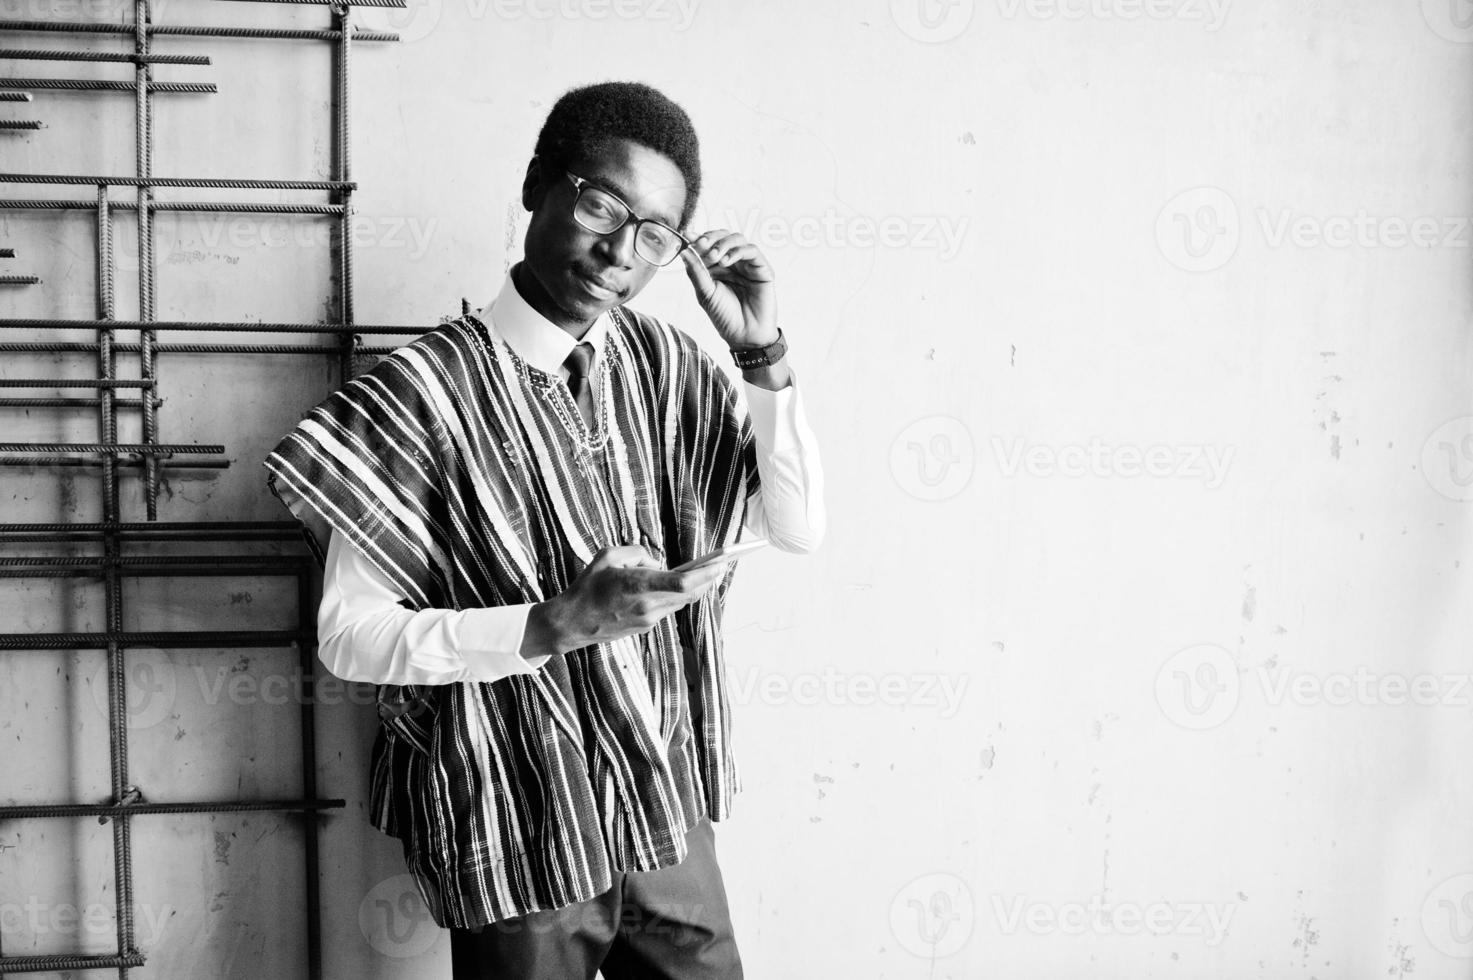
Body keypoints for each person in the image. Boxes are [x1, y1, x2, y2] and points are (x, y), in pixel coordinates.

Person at [265, 80, 825, 979]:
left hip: (659, 795)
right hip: (511, 811)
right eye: (601, 204)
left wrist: (761, 353)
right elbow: (348, 638)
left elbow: (795, 529)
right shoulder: (414, 396)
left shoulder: (670, 365)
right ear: (537, 185)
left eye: (654, 236)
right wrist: (554, 623)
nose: (617, 253)